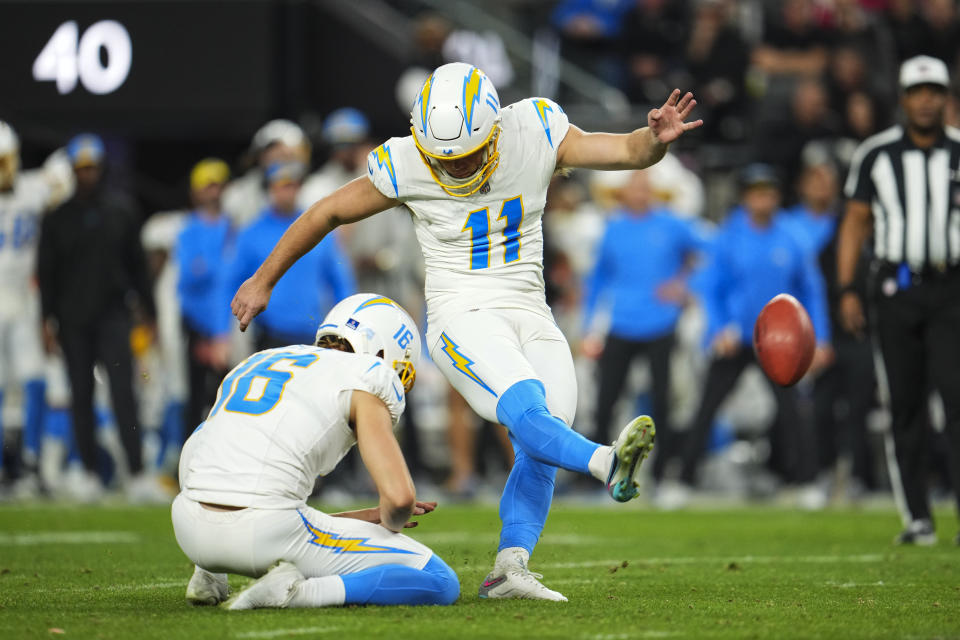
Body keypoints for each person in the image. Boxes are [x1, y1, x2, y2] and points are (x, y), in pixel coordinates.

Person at [232, 62, 701, 600]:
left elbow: (624, 151)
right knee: (528, 410)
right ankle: (604, 460)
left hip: (530, 308)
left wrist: (654, 139)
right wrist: (263, 278)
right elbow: (328, 211)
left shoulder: (533, 128)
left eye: (468, 154)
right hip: (462, 312)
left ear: (495, 130)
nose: (455, 168)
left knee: (543, 441)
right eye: (444, 158)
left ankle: (510, 567)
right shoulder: (406, 161)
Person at [172, 293, 459, 610]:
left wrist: (358, 520)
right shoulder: (368, 376)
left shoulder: (260, 360)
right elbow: (400, 499)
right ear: (383, 350)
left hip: (187, 526)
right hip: (264, 533)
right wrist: (392, 519)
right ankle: (297, 593)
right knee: (440, 581)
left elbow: (200, 454)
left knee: (213, 436)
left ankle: (210, 574)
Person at [837, 55, 960, 545]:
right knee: (905, 404)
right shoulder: (876, 154)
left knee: (957, 401)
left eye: (935, 91)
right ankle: (917, 516)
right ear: (904, 98)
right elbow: (855, 223)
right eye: (918, 91)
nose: (927, 100)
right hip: (896, 291)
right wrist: (847, 288)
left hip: (952, 290)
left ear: (946, 97)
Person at [666, 164, 832, 508]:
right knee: (707, 407)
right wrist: (718, 328)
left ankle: (808, 482)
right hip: (736, 337)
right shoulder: (728, 236)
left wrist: (821, 339)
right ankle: (681, 481)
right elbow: (711, 287)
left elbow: (812, 290)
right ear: (745, 197)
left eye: (769, 192)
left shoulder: (792, 235)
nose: (763, 199)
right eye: (756, 193)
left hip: (780, 342)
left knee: (793, 410)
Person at [36, 134, 163, 503]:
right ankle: (89, 472)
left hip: (113, 317)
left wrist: (150, 314)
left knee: (125, 394)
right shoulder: (58, 218)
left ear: (101, 169)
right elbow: (47, 275)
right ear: (75, 171)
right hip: (73, 321)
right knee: (81, 396)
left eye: (93, 167)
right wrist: (45, 320)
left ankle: (137, 473)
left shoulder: (121, 211)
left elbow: (138, 269)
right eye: (83, 168)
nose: (89, 174)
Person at [582, 170, 707, 487]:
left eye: (645, 189)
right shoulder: (613, 229)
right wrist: (588, 325)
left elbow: (711, 251)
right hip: (622, 321)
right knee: (605, 401)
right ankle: (595, 471)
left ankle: (665, 472)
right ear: (623, 193)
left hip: (660, 322)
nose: (640, 194)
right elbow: (598, 280)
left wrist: (684, 285)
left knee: (662, 401)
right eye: (634, 189)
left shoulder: (672, 224)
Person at [229, 161, 354, 352]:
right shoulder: (251, 234)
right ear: (270, 188)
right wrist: (220, 334)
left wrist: (346, 326)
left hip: (312, 334)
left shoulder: (318, 230)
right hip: (270, 335)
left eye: (293, 185)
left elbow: (340, 280)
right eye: (282, 185)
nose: (289, 192)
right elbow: (229, 283)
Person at [0, 121, 50, 493]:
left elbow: (64, 173)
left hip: (23, 300)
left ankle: (31, 464)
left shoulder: (33, 190)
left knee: (34, 380)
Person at [174, 159, 234, 439]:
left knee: (228, 395)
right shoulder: (189, 229)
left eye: (218, 186)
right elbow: (189, 275)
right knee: (196, 396)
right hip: (198, 325)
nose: (214, 192)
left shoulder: (233, 226)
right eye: (208, 186)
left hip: (231, 323)